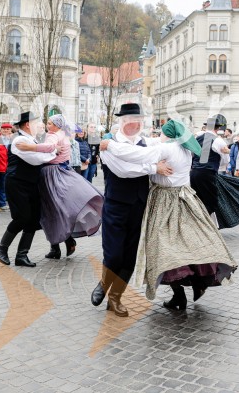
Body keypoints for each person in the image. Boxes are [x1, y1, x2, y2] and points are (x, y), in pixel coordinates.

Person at [100, 119, 237, 312]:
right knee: (188, 244)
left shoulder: (167, 149)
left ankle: (181, 292)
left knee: (165, 249)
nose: (159, 137)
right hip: (186, 199)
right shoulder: (184, 149)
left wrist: (110, 144)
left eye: (162, 133)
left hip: (166, 201)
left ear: (167, 134)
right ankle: (196, 283)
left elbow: (138, 154)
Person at [92, 103, 172, 317]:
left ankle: (115, 298)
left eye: (137, 120)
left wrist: (151, 160)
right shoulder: (108, 144)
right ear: (121, 121)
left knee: (130, 257)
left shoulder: (145, 143)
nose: (133, 124)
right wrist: (154, 166)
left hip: (139, 205)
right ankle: (103, 283)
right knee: (113, 255)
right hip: (116, 205)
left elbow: (152, 153)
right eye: (128, 120)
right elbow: (123, 170)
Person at [15, 114, 104, 260]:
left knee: (50, 211)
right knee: (56, 210)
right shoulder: (63, 134)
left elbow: (50, 146)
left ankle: (59, 245)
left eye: (50, 123)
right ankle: (61, 244)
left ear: (57, 125)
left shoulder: (53, 135)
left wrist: (29, 147)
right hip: (62, 171)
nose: (47, 125)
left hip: (51, 173)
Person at [0, 112, 56, 268]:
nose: (40, 125)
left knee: (33, 219)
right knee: (22, 217)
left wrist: (47, 150)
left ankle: (22, 255)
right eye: (37, 122)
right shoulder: (19, 140)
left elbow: (41, 155)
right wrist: (52, 152)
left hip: (31, 183)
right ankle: (2, 247)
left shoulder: (32, 140)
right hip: (17, 183)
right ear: (28, 124)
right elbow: (36, 160)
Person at [190, 114, 230, 214]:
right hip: (207, 174)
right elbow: (225, 161)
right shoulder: (218, 140)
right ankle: (203, 225)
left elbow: (192, 155)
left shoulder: (197, 138)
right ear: (218, 128)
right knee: (211, 203)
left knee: (198, 201)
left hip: (194, 172)